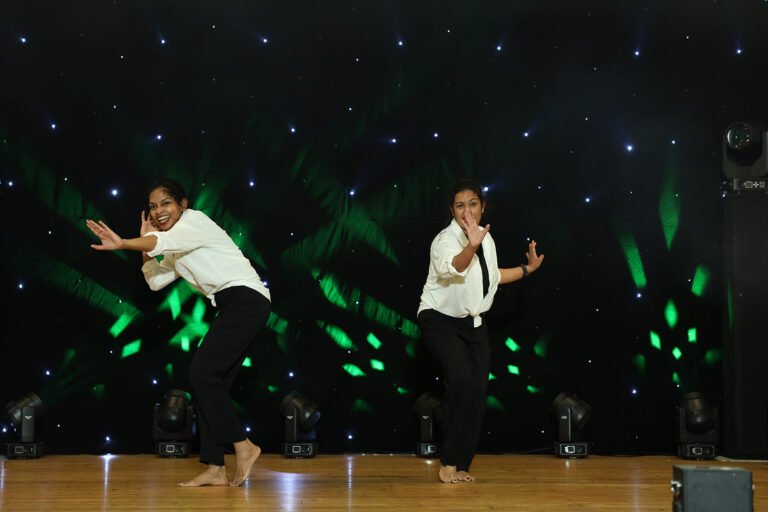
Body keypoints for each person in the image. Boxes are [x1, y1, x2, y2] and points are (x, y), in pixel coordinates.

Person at [85, 178, 270, 487]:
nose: (158, 211)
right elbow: (155, 281)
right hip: (233, 305)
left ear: (183, 204)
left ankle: (244, 445)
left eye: (166, 203)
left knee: (202, 374)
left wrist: (126, 243)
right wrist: (146, 243)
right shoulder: (174, 243)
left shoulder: (194, 222)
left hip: (246, 300)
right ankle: (215, 467)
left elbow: (160, 243)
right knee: (210, 384)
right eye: (152, 206)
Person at [417, 178, 544, 484]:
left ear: (482, 206)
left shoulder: (486, 239)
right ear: (452, 210)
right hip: (439, 318)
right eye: (460, 206)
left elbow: (492, 276)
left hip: (473, 323)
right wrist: (471, 245)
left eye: (472, 204)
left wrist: (528, 269)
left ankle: (461, 465)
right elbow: (456, 266)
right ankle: (448, 461)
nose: (467, 211)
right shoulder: (445, 240)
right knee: (461, 378)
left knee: (476, 389)